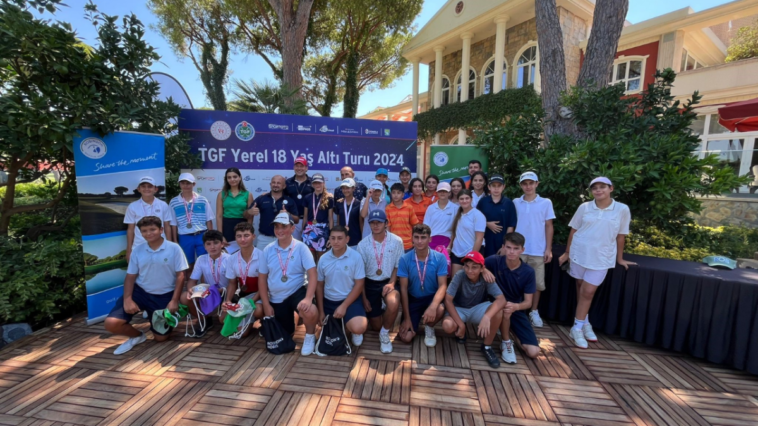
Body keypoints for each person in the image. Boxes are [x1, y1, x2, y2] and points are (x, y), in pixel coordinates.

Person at [558, 177, 636, 349]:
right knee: (580, 287)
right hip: (579, 253)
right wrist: (567, 252)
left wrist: (620, 259)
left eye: (602, 187)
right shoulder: (584, 207)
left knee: (588, 291)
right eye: (595, 188)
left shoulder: (622, 209)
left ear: (611, 188)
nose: (598, 190)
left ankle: (576, 328)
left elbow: (621, 236)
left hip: (602, 258)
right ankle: (584, 322)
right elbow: (574, 230)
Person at [105, 216, 188, 355]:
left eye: (152, 229)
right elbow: (130, 276)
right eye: (144, 231)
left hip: (164, 296)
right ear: (140, 233)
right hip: (141, 292)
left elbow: (181, 276)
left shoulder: (174, 248)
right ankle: (137, 336)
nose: (149, 233)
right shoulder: (137, 250)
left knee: (161, 338)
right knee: (111, 323)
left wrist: (174, 300)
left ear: (161, 230)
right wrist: (127, 299)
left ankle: (162, 317)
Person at [258, 212, 319, 356]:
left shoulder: (301, 247)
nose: (280, 230)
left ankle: (310, 336)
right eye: (277, 227)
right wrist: (266, 304)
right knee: (286, 333)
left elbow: (313, 274)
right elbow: (262, 279)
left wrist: (308, 298)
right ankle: (293, 320)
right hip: (277, 297)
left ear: (292, 228)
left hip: (297, 291)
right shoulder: (267, 250)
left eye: (284, 226)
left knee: (309, 309)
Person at [441, 251, 504, 368]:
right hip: (459, 308)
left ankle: (487, 346)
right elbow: (448, 300)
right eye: (467, 266)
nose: (470, 270)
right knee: (447, 326)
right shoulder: (460, 275)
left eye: (474, 267)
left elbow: (501, 299)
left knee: (498, 312)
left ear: (482, 269)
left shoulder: (486, 277)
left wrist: (487, 317)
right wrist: (461, 325)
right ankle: (461, 328)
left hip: (478, 308)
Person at [485, 232, 541, 364]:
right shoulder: (494, 261)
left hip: (514, 308)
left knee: (533, 352)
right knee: (502, 310)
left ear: (522, 250)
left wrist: (516, 306)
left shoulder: (528, 272)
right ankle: (506, 341)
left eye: (516, 248)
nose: (511, 252)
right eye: (509, 247)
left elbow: (528, 302)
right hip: (493, 305)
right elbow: (475, 264)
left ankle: (511, 333)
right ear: (503, 247)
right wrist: (484, 270)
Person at [357, 210, 404, 354]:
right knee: (376, 326)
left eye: (379, 222)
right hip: (370, 283)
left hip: (388, 281)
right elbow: (360, 274)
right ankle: (381, 311)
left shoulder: (397, 241)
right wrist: (364, 297)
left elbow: (397, 265)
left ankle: (384, 333)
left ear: (386, 223)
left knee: (393, 302)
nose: (376, 225)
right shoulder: (362, 245)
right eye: (372, 222)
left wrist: (392, 283)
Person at [513, 172, 555, 328]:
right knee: (515, 282)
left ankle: (534, 311)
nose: (528, 186)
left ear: (537, 184)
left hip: (537, 250)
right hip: (518, 250)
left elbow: (549, 226)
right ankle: (516, 312)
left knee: (537, 284)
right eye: (525, 183)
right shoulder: (515, 202)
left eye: (531, 183)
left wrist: (548, 249)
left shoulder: (546, 202)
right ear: (521, 185)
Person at [316, 226, 368, 348]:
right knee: (316, 333)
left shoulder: (356, 257)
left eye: (340, 238)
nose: (336, 241)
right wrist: (321, 311)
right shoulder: (323, 259)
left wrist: (344, 306)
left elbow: (359, 284)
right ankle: (340, 322)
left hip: (350, 301)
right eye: (333, 238)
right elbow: (319, 286)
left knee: (359, 327)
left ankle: (353, 330)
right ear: (329, 239)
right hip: (329, 301)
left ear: (347, 239)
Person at [397, 224, 448, 346]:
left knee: (440, 309)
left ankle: (429, 326)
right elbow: (403, 288)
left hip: (431, 297)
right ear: (412, 239)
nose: (419, 241)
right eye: (416, 237)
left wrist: (433, 306)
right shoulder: (404, 259)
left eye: (423, 237)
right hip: (413, 299)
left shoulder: (440, 258)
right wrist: (407, 319)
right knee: (406, 338)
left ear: (430, 239)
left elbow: (443, 285)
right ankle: (414, 318)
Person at [180, 229, 228, 337]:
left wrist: (221, 291)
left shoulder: (229, 259)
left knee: (223, 320)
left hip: (226, 293)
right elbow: (192, 280)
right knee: (184, 297)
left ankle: (223, 314)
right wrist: (191, 290)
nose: (212, 247)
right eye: (208, 244)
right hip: (209, 294)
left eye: (216, 243)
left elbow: (234, 283)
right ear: (204, 246)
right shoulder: (201, 259)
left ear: (222, 244)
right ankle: (205, 320)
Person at [222, 222, 265, 336]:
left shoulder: (262, 256)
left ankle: (264, 321)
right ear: (235, 238)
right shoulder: (232, 259)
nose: (242, 239)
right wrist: (228, 300)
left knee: (258, 310)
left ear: (253, 236)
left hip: (260, 295)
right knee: (225, 320)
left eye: (246, 235)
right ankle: (249, 316)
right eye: (239, 236)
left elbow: (265, 285)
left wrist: (252, 301)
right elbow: (232, 283)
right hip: (244, 296)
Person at [169, 173, 214, 269]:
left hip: (201, 235)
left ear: (194, 184)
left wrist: (211, 237)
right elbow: (173, 224)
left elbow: (209, 220)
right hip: (184, 236)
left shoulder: (202, 200)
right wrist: (175, 240)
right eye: (183, 183)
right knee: (188, 264)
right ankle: (189, 279)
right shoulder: (174, 202)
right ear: (179, 184)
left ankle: (203, 279)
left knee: (205, 263)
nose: (185, 185)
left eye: (188, 183)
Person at [124, 176, 173, 262]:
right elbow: (130, 229)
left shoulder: (163, 205)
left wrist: (170, 245)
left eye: (150, 186)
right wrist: (129, 250)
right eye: (143, 186)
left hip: (161, 245)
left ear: (155, 189)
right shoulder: (132, 206)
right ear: (139, 189)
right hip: (139, 246)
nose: (146, 189)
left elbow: (167, 226)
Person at [249, 175, 299, 250]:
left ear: (284, 186)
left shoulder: (290, 201)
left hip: (283, 238)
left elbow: (297, 220)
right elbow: (246, 214)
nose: (275, 185)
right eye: (273, 182)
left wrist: (288, 214)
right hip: (264, 239)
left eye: (278, 183)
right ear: (270, 184)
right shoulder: (262, 198)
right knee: (260, 258)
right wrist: (249, 211)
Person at [477, 174, 517, 257]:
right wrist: (487, 224)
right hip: (485, 244)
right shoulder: (483, 202)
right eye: (493, 186)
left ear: (503, 187)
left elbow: (511, 226)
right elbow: (475, 221)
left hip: (501, 245)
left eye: (499, 186)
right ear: (489, 187)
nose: (496, 188)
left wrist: (505, 246)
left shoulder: (508, 203)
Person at [448, 190, 486, 276]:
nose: (464, 201)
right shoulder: (457, 213)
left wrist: (472, 257)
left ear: (471, 199)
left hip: (472, 251)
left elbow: (479, 239)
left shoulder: (478, 215)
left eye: (467, 198)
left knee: (470, 280)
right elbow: (454, 232)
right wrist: (449, 246)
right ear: (458, 200)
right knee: (455, 280)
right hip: (457, 252)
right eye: (461, 199)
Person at [215, 168, 253, 252]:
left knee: (243, 253)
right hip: (227, 227)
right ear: (226, 179)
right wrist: (220, 235)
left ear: (240, 177)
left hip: (242, 227)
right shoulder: (221, 194)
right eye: (229, 177)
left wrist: (248, 233)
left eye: (235, 177)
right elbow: (219, 216)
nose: (232, 179)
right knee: (227, 254)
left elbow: (250, 216)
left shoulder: (248, 194)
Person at [302, 173, 334, 262]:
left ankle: (320, 272)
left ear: (323, 183)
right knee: (310, 258)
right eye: (315, 183)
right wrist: (303, 231)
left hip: (322, 230)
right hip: (309, 229)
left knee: (321, 259)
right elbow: (305, 216)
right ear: (312, 184)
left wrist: (331, 234)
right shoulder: (307, 197)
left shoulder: (329, 198)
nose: (317, 185)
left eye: (319, 183)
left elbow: (330, 218)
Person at [285, 156, 314, 241]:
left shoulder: (312, 182)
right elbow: (279, 195)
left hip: (309, 220)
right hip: (293, 220)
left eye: (302, 166)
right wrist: (267, 194)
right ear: (294, 168)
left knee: (309, 246)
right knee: (294, 245)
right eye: (297, 166)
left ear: (306, 168)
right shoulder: (287, 182)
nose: (299, 168)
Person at [386, 183, 419, 252]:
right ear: (391, 194)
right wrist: (388, 242)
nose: (396, 195)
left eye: (398, 193)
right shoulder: (388, 209)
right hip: (394, 244)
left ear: (403, 195)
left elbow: (415, 225)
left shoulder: (409, 207)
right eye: (393, 193)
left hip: (408, 244)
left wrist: (415, 239)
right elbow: (388, 227)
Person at [424, 182, 457, 250]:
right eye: (440, 191)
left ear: (449, 193)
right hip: (431, 241)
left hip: (447, 241)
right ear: (437, 193)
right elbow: (426, 226)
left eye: (445, 191)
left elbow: (456, 229)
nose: (442, 193)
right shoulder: (431, 208)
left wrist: (450, 246)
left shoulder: (455, 208)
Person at [335, 178, 362, 246]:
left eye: (347, 188)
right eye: (343, 188)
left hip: (355, 238)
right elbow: (338, 222)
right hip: (342, 239)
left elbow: (361, 223)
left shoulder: (359, 204)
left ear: (353, 188)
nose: (345, 190)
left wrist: (362, 237)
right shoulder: (339, 203)